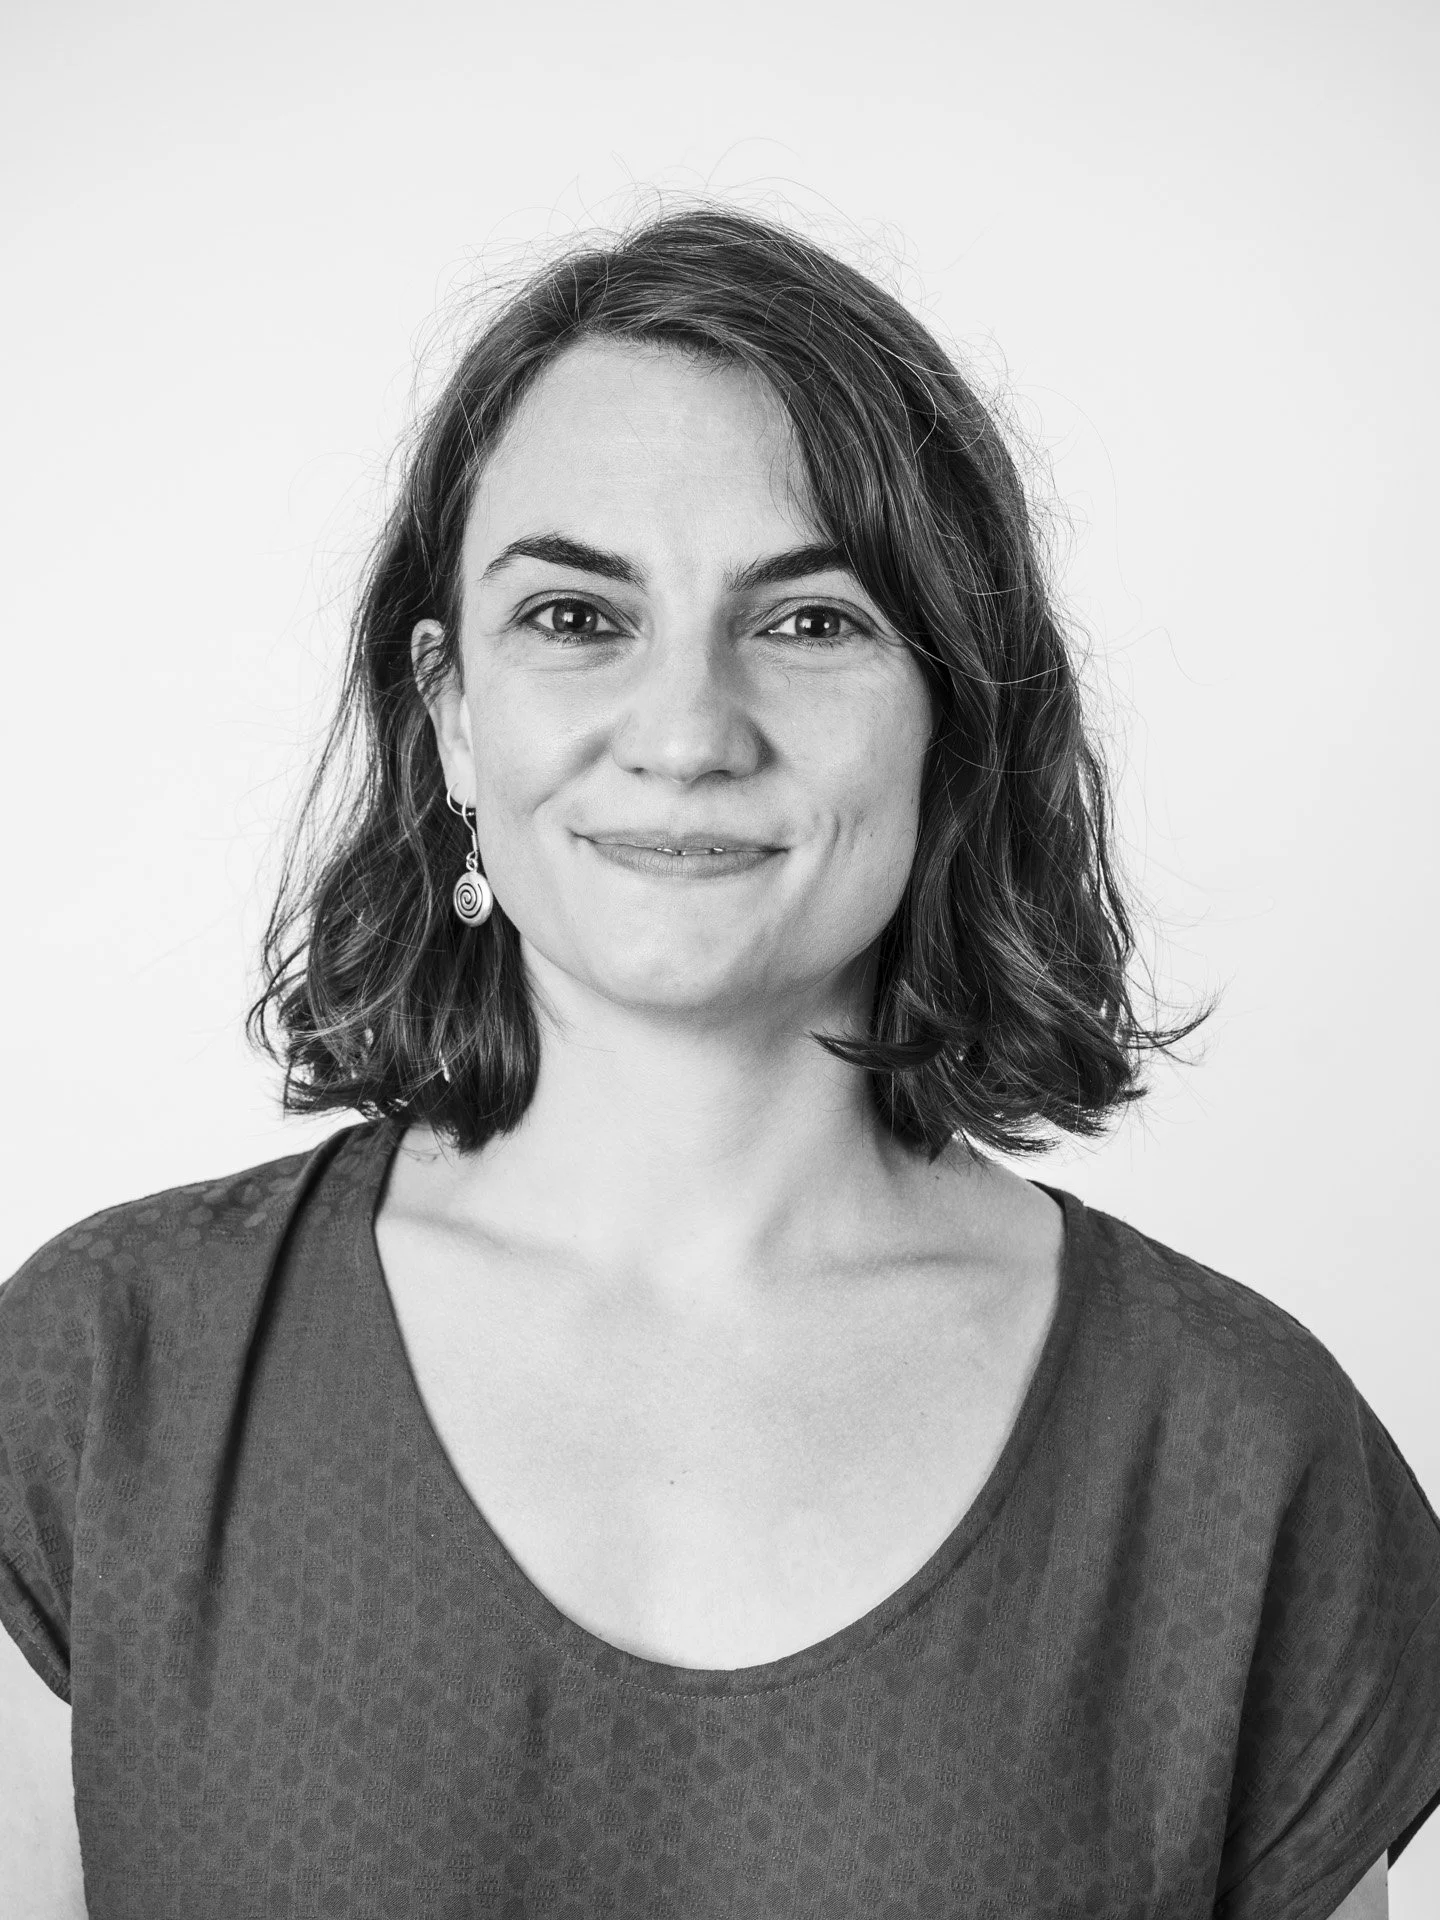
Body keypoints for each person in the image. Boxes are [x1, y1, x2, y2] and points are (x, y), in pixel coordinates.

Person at [2, 207, 1436, 1920]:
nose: (687, 732)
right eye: (575, 615)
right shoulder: (101, 1379)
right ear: (451, 713)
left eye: (812, 622)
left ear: (952, 714)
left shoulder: (1241, 1455)